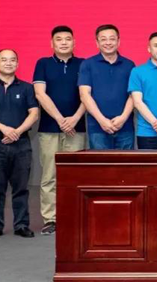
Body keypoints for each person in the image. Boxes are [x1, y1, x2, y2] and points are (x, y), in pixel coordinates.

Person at [33, 25, 86, 235]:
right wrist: (60, 119)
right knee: (49, 176)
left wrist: (74, 119)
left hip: (77, 128)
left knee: (75, 176)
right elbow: (40, 94)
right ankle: (51, 219)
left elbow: (87, 95)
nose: (64, 42)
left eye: (68, 39)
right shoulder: (43, 63)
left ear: (74, 42)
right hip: (49, 128)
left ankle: (73, 216)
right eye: (59, 39)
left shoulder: (83, 64)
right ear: (52, 43)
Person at [0, 49, 39, 238]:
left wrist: (17, 131)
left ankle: (21, 224)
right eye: (4, 60)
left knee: (21, 188)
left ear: (17, 63)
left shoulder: (26, 88)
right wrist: (4, 129)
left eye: (12, 60)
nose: (8, 63)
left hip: (21, 144)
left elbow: (34, 113)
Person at [78, 24, 135, 150]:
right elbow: (84, 95)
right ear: (97, 43)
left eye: (112, 39)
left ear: (118, 41)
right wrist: (102, 120)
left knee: (127, 163)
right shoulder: (87, 64)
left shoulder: (129, 65)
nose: (108, 42)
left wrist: (123, 118)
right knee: (100, 163)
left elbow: (133, 95)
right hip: (97, 127)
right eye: (103, 39)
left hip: (125, 127)